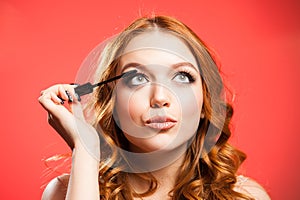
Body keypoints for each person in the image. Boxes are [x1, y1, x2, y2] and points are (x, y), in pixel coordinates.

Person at [39, 15, 270, 200]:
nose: (160, 98)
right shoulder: (64, 192)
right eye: (137, 78)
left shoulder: (245, 197)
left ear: (204, 102)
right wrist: (85, 151)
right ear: (113, 102)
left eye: (182, 77)